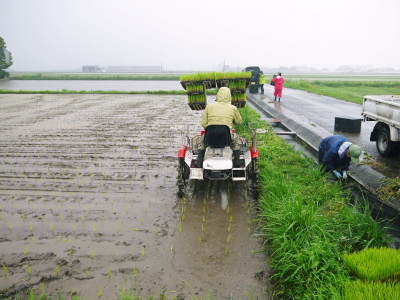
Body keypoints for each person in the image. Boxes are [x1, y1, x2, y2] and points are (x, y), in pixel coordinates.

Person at [193, 87, 243, 168]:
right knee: (237, 142)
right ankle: (237, 162)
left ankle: (199, 162)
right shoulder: (233, 108)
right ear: (229, 96)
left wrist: (211, 128)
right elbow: (239, 122)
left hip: (210, 135)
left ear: (217, 95)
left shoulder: (209, 106)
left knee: (201, 143)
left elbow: (203, 123)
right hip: (226, 136)